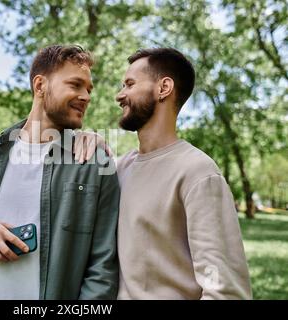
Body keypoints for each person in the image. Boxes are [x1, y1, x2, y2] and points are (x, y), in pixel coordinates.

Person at [0, 45, 120, 300]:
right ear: (40, 86)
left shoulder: (95, 163)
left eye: (89, 89)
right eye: (75, 85)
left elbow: (103, 268)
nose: (86, 96)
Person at [79, 48, 252, 299]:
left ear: (164, 88)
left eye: (130, 84)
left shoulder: (197, 172)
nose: (120, 95)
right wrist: (91, 139)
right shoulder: (120, 169)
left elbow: (225, 290)